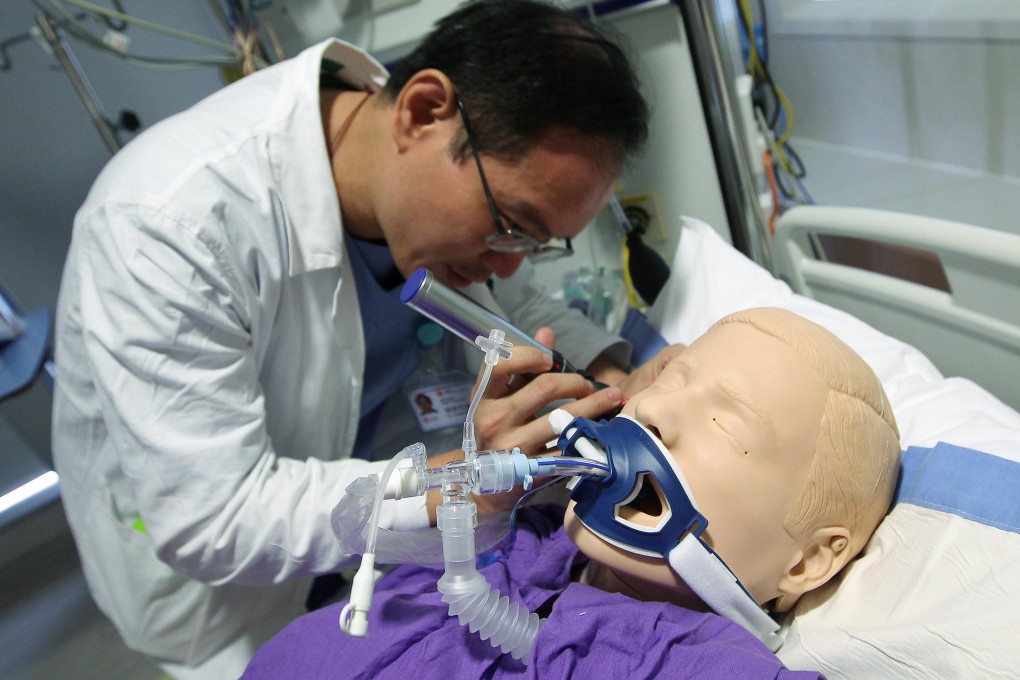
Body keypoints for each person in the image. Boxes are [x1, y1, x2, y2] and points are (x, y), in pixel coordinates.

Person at [50, 2, 656, 678]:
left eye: (536, 243)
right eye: (511, 224)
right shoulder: (168, 221)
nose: (510, 262)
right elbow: (215, 514)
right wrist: (466, 486)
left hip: (390, 558)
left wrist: (623, 375)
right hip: (237, 601)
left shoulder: (429, 209)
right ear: (424, 111)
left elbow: (511, 305)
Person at [241, 307, 902, 679]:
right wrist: (480, 495)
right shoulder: (521, 535)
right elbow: (361, 524)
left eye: (726, 423)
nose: (654, 414)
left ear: (810, 562)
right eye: (671, 382)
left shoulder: (699, 666)